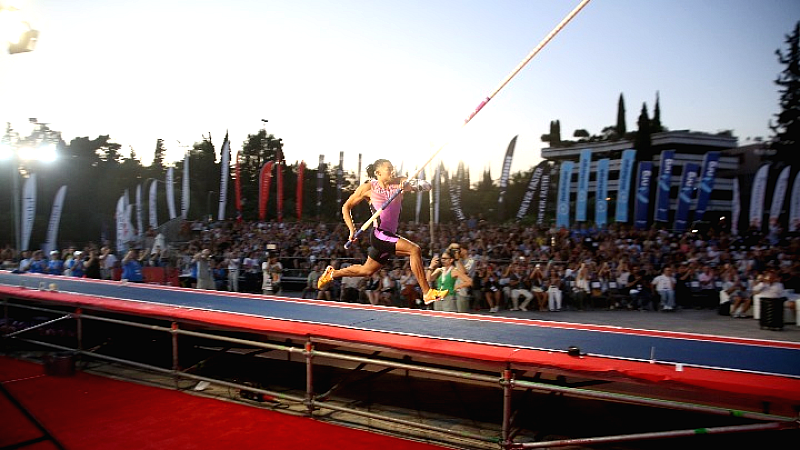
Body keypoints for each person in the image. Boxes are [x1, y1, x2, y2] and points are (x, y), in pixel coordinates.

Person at [317, 159, 448, 303]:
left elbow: (427, 185)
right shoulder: (368, 188)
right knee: (414, 250)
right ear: (378, 173)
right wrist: (351, 230)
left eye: (392, 168)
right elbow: (346, 207)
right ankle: (427, 292)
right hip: (379, 234)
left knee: (366, 271)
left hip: (389, 236)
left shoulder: (400, 182)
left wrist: (411, 186)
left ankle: (332, 274)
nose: (392, 171)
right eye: (388, 169)